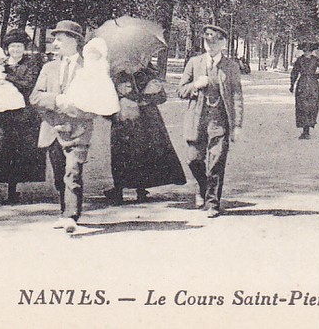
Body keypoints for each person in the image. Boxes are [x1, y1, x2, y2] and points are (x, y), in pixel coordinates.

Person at [30, 20, 95, 233]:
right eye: (55, 38)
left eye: (60, 38)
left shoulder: (89, 68)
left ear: (74, 40)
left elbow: (96, 103)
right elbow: (35, 97)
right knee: (60, 175)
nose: (55, 43)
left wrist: (72, 108)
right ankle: (64, 211)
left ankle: (71, 216)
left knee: (73, 171)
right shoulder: (49, 68)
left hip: (78, 131)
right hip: (52, 130)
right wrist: (57, 100)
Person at [178, 24, 244, 218]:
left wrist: (237, 125)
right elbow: (181, 90)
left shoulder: (231, 66)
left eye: (215, 42)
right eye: (208, 42)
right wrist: (195, 85)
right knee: (193, 159)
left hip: (219, 122)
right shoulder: (194, 63)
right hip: (197, 120)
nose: (211, 46)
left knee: (216, 162)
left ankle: (213, 203)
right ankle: (202, 186)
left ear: (223, 43)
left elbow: (237, 96)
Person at [104, 51, 186, 206]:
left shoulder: (148, 73)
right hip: (123, 120)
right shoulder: (115, 76)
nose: (128, 62)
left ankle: (141, 189)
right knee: (120, 154)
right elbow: (106, 99)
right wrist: (120, 97)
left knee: (144, 154)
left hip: (146, 121)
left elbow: (161, 97)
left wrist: (146, 96)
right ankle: (119, 189)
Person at [0, 30, 45, 207]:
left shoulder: (31, 65)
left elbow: (29, 84)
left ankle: (12, 192)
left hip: (21, 116)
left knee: (15, 153)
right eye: (12, 46)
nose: (16, 50)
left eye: (19, 46)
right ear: (6, 48)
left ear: (24, 48)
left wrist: (7, 76)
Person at [63, 37, 121, 116]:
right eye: (89, 53)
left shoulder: (103, 73)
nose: (92, 55)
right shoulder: (82, 71)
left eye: (95, 53)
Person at [289, 42, 319, 140]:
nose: (307, 53)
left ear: (311, 51)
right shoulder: (299, 60)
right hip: (302, 84)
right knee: (301, 106)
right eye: (305, 51)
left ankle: (308, 129)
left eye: (309, 51)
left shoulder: (315, 60)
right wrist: (292, 84)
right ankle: (304, 130)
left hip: (312, 84)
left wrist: (318, 75)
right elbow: (294, 72)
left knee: (312, 106)